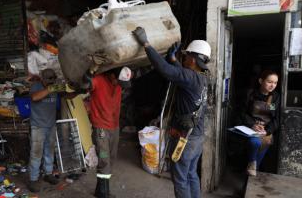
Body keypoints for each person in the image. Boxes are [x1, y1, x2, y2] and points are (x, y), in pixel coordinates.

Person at [133, 27, 211, 198]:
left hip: (185, 139)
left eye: (186, 57)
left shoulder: (189, 77)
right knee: (191, 174)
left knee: (180, 179)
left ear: (192, 59)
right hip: (197, 138)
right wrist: (174, 59)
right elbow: (180, 74)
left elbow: (165, 70)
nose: (184, 59)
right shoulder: (202, 78)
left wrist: (146, 44)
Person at [83, 67, 132, 198]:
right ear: (111, 75)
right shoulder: (98, 81)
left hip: (114, 127)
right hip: (101, 129)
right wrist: (89, 73)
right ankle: (104, 194)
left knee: (111, 159)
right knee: (104, 160)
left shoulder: (120, 80)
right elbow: (85, 84)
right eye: (117, 81)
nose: (119, 85)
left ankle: (100, 191)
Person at [28, 68, 67, 192]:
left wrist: (78, 91)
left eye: (53, 79)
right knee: (36, 154)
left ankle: (48, 174)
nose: (51, 82)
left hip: (51, 125)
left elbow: (67, 95)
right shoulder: (36, 86)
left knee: (49, 151)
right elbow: (34, 98)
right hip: (38, 126)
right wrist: (51, 88)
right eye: (48, 80)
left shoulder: (54, 87)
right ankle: (33, 179)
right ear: (42, 79)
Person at [240, 70, 280, 176]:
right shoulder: (250, 94)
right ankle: (252, 163)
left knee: (254, 167)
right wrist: (252, 124)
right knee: (255, 142)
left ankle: (251, 170)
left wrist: (267, 131)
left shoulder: (275, 97)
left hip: (265, 131)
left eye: (275, 83)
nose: (272, 85)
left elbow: (276, 119)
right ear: (261, 81)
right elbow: (242, 113)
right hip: (251, 128)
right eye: (269, 82)